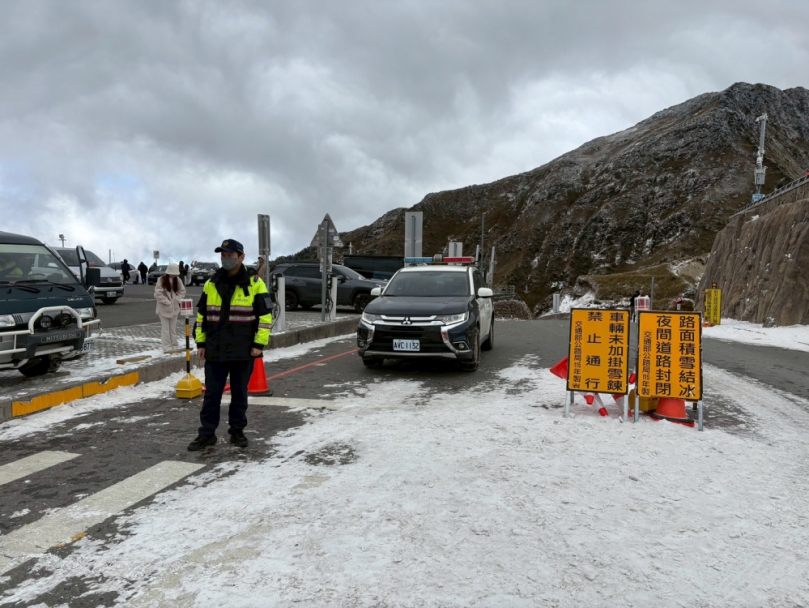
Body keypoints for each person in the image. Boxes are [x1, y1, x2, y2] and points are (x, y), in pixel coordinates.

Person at [189, 239, 272, 451]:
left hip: (243, 350)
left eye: (231, 255)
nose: (226, 259)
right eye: (223, 255)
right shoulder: (211, 283)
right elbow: (202, 316)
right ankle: (207, 434)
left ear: (241, 257)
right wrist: (200, 342)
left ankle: (237, 432)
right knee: (211, 395)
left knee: (239, 394)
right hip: (215, 350)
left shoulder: (255, 283)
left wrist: (258, 345)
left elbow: (265, 317)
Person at [154, 262, 186, 353]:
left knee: (173, 328)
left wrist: (177, 300)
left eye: (175, 273)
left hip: (174, 309)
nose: (174, 275)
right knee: (165, 328)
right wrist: (166, 301)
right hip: (163, 308)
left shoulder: (178, 280)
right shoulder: (162, 280)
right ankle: (166, 346)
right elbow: (157, 294)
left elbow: (182, 291)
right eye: (173, 273)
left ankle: (174, 344)